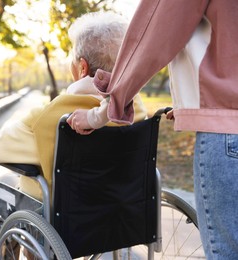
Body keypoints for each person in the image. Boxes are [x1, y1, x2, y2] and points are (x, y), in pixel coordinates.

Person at [67, 1, 238, 259]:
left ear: (81, 67)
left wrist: (98, 115)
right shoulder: (144, 111)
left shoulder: (53, 112)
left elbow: (150, 37)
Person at [0, 11, 147, 200]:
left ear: (82, 67)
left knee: (7, 180)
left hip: (64, 213)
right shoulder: (135, 108)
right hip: (123, 207)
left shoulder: (49, 116)